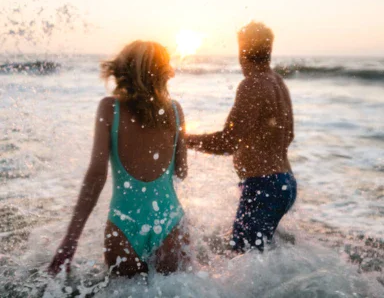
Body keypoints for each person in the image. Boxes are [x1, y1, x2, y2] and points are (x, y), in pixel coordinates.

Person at [48, 41, 189, 277]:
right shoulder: (175, 111)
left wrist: (71, 240)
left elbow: (96, 175)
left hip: (123, 228)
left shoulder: (109, 109)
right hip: (170, 221)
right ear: (162, 73)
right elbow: (182, 171)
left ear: (124, 71)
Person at [186, 22, 296, 252]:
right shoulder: (277, 82)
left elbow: (227, 142)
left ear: (242, 50)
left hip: (263, 186)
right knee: (256, 258)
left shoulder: (252, 84)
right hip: (285, 182)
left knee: (241, 257)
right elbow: (289, 135)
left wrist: (183, 140)